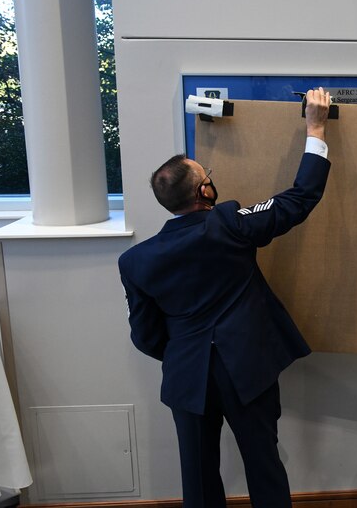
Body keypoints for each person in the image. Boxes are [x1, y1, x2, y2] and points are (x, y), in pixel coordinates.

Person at [118, 88, 332, 508]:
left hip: (186, 377)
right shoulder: (229, 224)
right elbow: (300, 197)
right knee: (264, 468)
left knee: (197, 482)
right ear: (205, 192)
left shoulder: (135, 261)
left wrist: (187, 352)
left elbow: (144, 335)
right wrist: (316, 126)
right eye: (207, 173)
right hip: (246, 370)